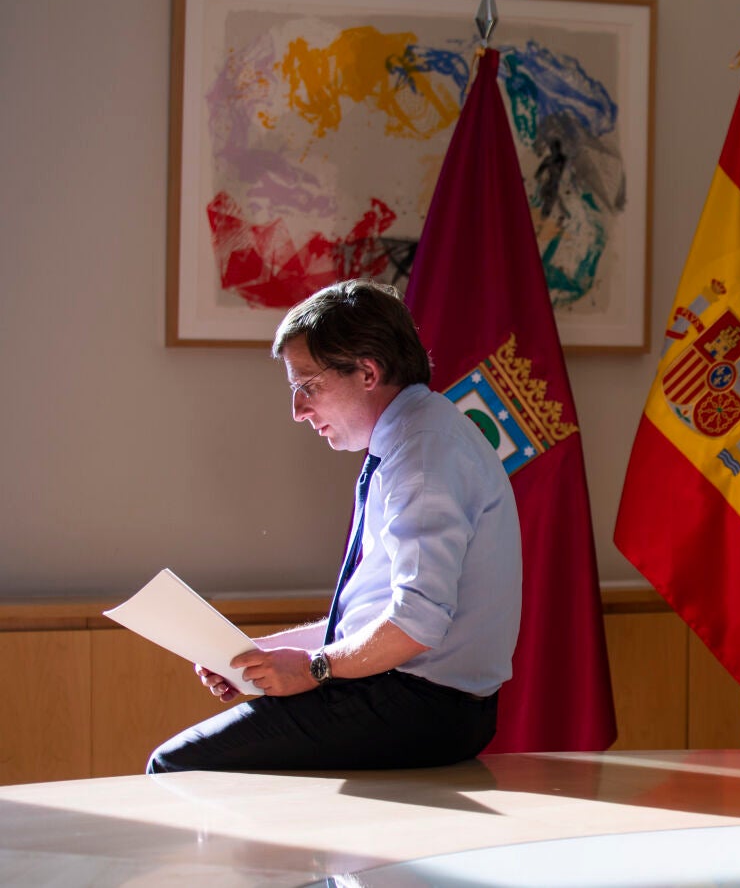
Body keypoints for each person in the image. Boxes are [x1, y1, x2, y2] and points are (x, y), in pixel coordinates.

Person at [147, 279, 522, 772]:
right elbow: (378, 622)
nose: (298, 411)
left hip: (422, 706)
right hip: (417, 699)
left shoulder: (422, 455)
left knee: (174, 767)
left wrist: (311, 668)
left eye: (307, 386)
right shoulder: (416, 437)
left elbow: (417, 624)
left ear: (367, 372)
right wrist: (260, 656)